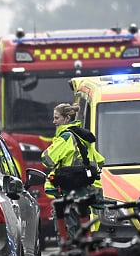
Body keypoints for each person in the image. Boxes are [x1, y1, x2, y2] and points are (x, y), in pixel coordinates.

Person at [41, 102, 105, 240]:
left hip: (68, 193)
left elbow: (47, 160)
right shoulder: (82, 137)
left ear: (67, 119)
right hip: (84, 192)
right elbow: (99, 161)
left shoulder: (66, 137)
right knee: (83, 231)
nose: (54, 122)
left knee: (68, 234)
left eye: (56, 118)